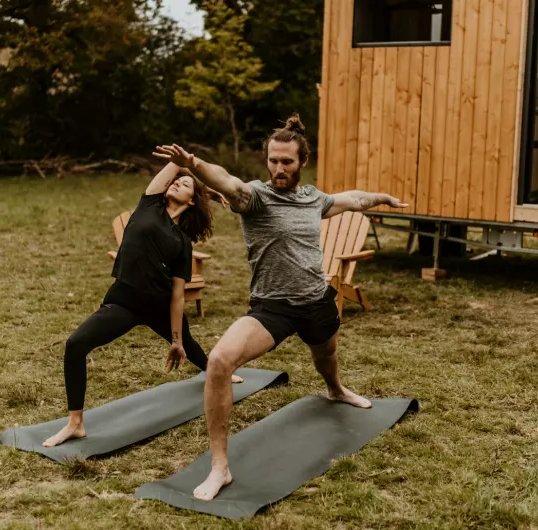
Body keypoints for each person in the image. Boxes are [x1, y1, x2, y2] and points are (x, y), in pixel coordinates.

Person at [154, 114, 408, 499]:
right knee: (220, 361)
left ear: (302, 162)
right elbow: (229, 183)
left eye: (286, 162)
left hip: (317, 298)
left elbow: (350, 199)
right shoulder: (254, 197)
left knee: (327, 354)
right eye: (273, 160)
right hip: (272, 307)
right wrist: (195, 165)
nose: (278, 168)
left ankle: (336, 390)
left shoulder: (312, 199)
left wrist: (381, 198)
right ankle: (220, 466)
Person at [43, 162, 242, 448]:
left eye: (184, 185)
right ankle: (75, 424)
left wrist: (175, 340)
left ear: (191, 201)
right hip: (124, 300)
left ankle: (216, 371)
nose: (176, 183)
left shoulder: (182, 243)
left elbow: (176, 295)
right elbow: (174, 166)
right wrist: (202, 184)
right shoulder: (149, 205)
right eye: (176, 182)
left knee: (188, 342)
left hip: (159, 305)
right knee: (75, 344)